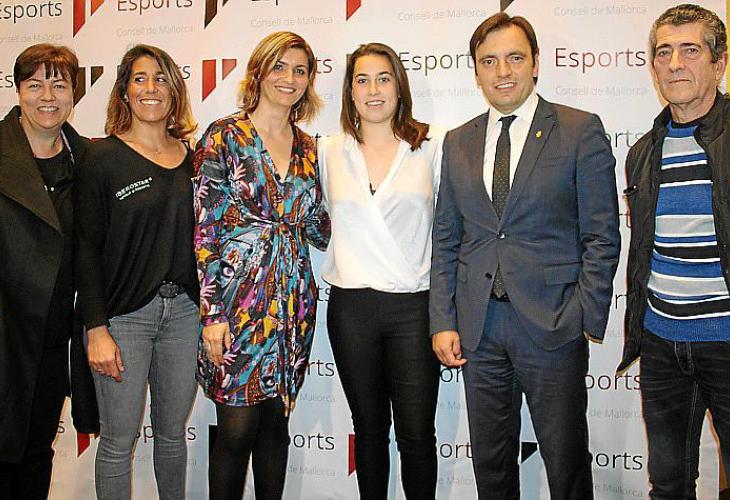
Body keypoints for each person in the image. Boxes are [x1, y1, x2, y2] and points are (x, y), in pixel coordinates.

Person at [429, 12, 620, 500]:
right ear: (476, 71)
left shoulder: (578, 129)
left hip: (553, 322)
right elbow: (447, 238)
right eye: (488, 61)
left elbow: (602, 234)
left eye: (514, 58)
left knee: (566, 461)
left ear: (536, 63)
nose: (502, 71)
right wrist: (443, 320)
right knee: (491, 464)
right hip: (479, 327)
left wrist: (582, 314)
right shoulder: (458, 140)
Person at [194, 31, 329, 500]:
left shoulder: (310, 147)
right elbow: (205, 229)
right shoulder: (224, 136)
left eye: (299, 70)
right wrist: (212, 313)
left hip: (293, 303)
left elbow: (318, 227)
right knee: (235, 429)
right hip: (235, 303)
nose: (289, 78)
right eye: (279, 67)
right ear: (258, 72)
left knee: (275, 424)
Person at [74, 44, 199, 500]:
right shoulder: (101, 157)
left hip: (184, 315)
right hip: (124, 318)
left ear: (174, 90)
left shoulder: (192, 158)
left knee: (172, 436)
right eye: (140, 78)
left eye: (161, 78)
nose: (151, 88)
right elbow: (85, 249)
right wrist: (96, 328)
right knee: (117, 442)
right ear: (125, 90)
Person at [319, 42, 442, 500]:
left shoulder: (432, 145)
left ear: (399, 86)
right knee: (368, 430)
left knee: (416, 433)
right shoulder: (327, 151)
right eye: (362, 80)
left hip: (414, 309)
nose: (374, 90)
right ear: (350, 92)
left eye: (384, 79)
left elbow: (452, 229)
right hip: (352, 309)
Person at [618, 4, 730, 498]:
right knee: (667, 485)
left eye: (690, 50)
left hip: (726, 342)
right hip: (663, 345)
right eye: (664, 52)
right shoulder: (643, 152)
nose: (675, 63)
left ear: (719, 63)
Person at [0, 43, 92, 500]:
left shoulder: (87, 160)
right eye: (35, 85)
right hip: (5, 332)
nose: (48, 97)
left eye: (59, 85)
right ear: (18, 91)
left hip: (53, 336)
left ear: (74, 92)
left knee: (37, 452)